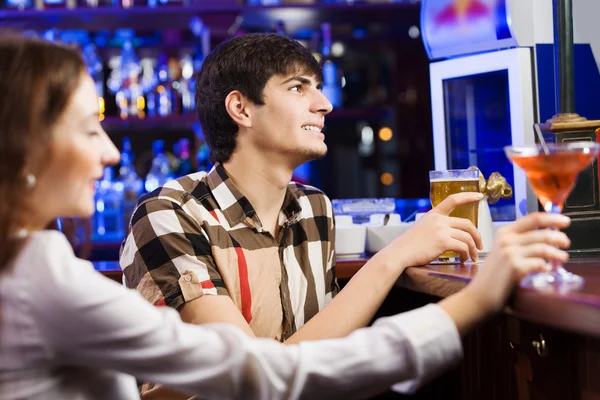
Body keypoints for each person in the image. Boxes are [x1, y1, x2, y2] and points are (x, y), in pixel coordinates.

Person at [0, 33, 572, 400]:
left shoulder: (313, 209)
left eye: (319, 88)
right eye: (300, 88)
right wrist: (436, 279)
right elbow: (255, 376)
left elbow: (295, 362)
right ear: (240, 108)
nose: (324, 104)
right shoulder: (165, 215)